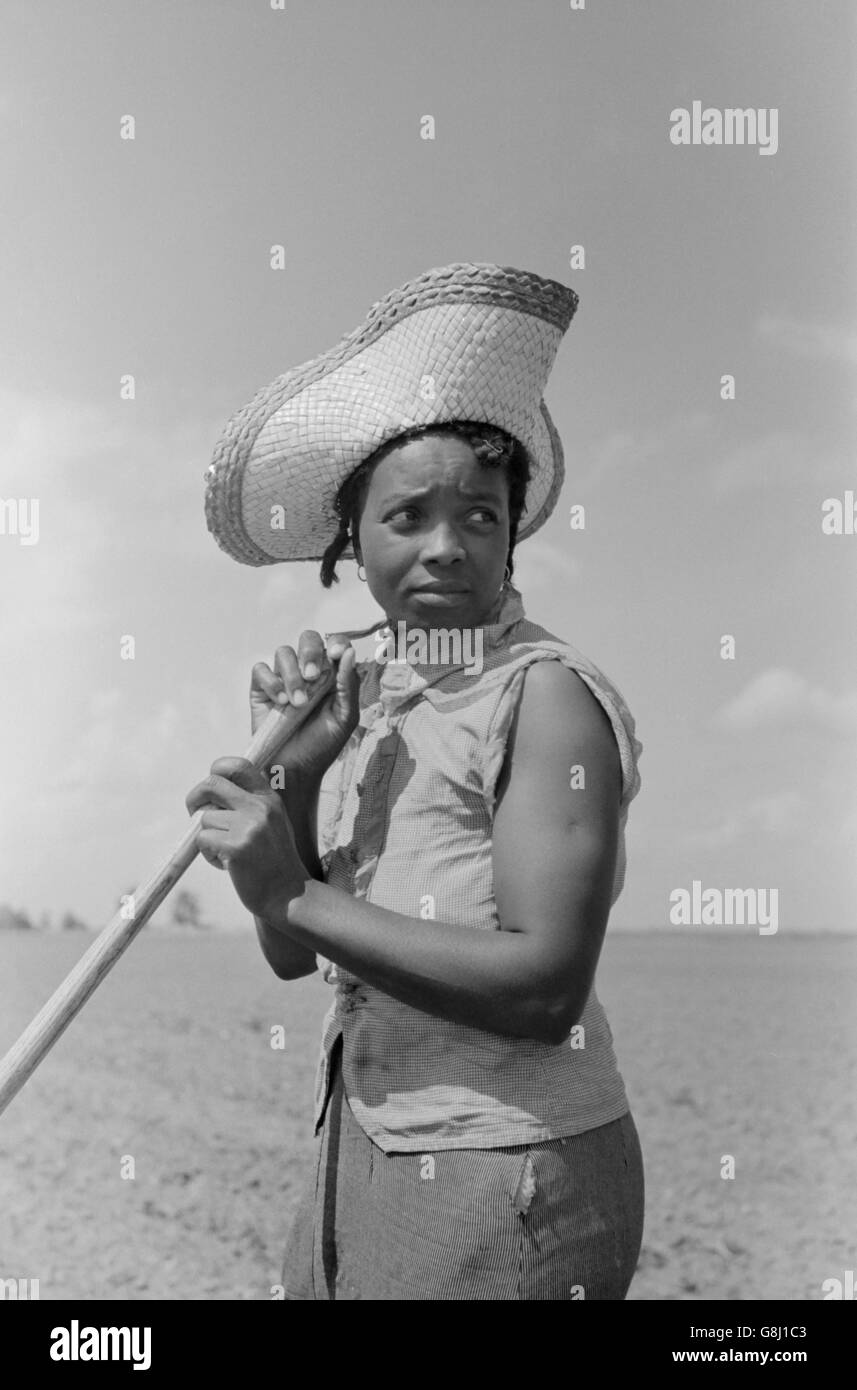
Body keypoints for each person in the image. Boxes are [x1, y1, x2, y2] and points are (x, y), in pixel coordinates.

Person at [189, 262, 645, 1299]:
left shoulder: (544, 698)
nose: (446, 546)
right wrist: (293, 778)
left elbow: (541, 986)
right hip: (360, 1137)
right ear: (351, 539)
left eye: (479, 516)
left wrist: (290, 889)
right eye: (407, 518)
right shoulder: (361, 696)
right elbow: (288, 958)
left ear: (511, 530)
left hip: (510, 1166)